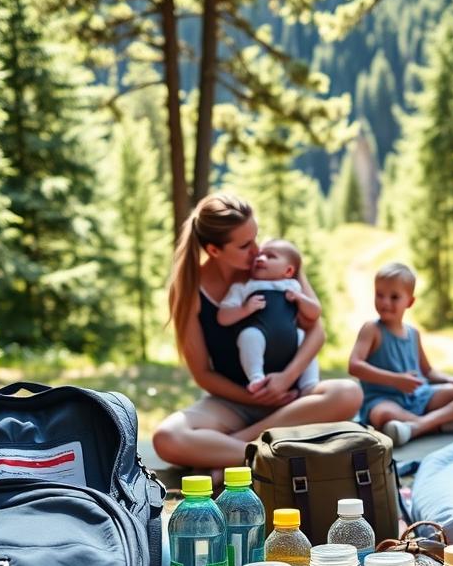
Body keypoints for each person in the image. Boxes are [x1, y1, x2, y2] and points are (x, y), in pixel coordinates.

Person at [153, 193, 362, 469]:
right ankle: (270, 453)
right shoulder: (189, 290)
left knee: (349, 393)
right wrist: (257, 396)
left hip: (292, 400)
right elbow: (203, 373)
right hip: (233, 403)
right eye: (244, 245)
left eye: (256, 237)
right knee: (167, 438)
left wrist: (285, 381)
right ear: (215, 250)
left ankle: (236, 450)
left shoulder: (276, 263)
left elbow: (316, 333)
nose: (257, 251)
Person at [348, 262, 453, 447]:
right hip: (384, 400)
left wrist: (449, 379)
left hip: (421, 397)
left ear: (410, 302)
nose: (385, 302)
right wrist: (396, 380)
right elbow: (354, 366)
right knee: (382, 415)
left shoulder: (413, 333)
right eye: (379, 295)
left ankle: (417, 426)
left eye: (394, 297)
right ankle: (443, 424)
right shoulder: (371, 329)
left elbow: (428, 372)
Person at [217, 239, 320, 394]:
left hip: (290, 339)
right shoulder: (244, 287)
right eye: (259, 255)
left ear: (288, 271)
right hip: (260, 333)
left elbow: (314, 313)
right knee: (248, 336)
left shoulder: (292, 286)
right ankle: (256, 378)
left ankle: (309, 385)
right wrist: (244, 309)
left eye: (270, 256)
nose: (260, 259)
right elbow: (222, 317)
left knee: (304, 340)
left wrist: (300, 299)